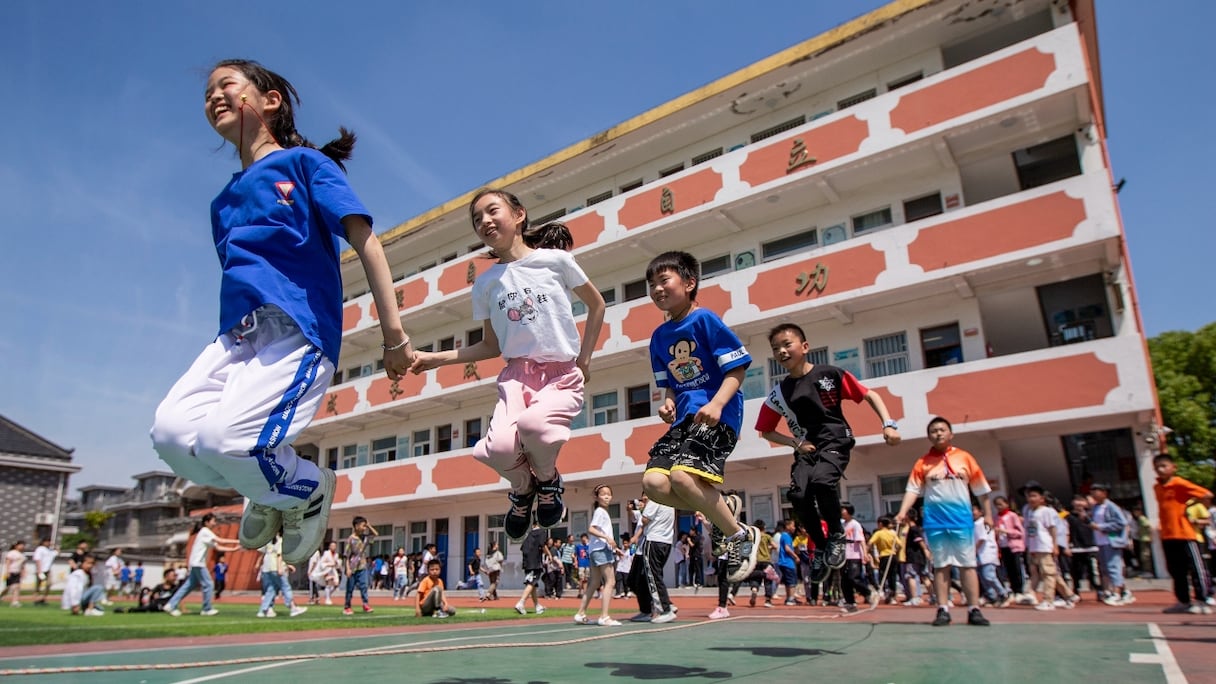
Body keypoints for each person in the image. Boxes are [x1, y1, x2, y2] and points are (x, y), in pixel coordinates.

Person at [150, 59, 414, 568]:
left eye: (227, 85)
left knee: (226, 441)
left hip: (297, 332)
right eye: (207, 93)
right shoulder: (222, 202)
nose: (214, 97)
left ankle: (307, 489)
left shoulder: (305, 165)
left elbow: (366, 243)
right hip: (237, 337)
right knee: (174, 437)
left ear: (270, 100)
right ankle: (269, 486)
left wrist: (394, 337)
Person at [411, 191, 606, 543]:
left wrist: (585, 359)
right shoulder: (486, 284)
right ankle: (523, 489)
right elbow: (491, 345)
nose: (484, 221)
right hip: (517, 376)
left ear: (518, 215)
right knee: (496, 448)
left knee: (535, 427)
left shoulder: (555, 261)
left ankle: (548, 482)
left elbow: (597, 305)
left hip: (560, 375)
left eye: (492, 211)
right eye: (476, 219)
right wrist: (433, 359)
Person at [640, 251, 759, 586]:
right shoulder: (658, 338)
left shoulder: (705, 319)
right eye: (652, 284)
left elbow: (737, 368)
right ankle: (723, 511)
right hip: (684, 421)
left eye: (664, 280)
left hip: (717, 415)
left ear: (689, 283)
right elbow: (670, 385)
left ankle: (738, 536)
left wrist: (718, 404)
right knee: (654, 484)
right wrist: (668, 405)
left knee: (681, 477)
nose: (657, 289)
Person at [757, 322, 901, 585]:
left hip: (835, 439)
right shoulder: (780, 393)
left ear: (805, 346)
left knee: (822, 482)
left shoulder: (830, 374)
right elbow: (765, 430)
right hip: (806, 447)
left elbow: (870, 396)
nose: (781, 352)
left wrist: (888, 425)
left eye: (786, 344)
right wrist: (796, 444)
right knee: (797, 494)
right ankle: (822, 547)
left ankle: (836, 535)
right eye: (775, 348)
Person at [894, 417, 994, 627]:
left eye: (942, 430)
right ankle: (943, 609)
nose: (938, 433)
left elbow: (981, 490)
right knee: (941, 566)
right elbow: (912, 490)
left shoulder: (965, 458)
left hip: (961, 521)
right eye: (933, 431)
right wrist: (902, 512)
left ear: (951, 434)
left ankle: (974, 609)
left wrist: (988, 514)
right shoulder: (923, 462)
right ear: (929, 436)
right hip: (935, 522)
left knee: (968, 566)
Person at [1152, 453, 1214, 614]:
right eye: (1157, 466)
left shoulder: (1179, 483)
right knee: (1176, 570)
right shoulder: (1157, 487)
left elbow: (1207, 494)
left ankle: (1202, 600)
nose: (1160, 469)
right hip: (1167, 534)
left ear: (1173, 467)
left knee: (1196, 568)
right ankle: (1183, 601)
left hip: (1184, 534)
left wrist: (1190, 505)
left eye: (1164, 465)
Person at [165, 513, 240, 617]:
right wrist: (238, 540)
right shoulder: (205, 531)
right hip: (198, 563)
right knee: (209, 584)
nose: (215, 523)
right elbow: (220, 540)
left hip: (195, 563)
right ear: (206, 522)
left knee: (188, 586)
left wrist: (234, 549)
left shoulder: (206, 534)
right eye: (213, 521)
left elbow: (218, 547)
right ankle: (206, 608)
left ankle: (170, 604)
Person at [1020, 483, 1079, 612]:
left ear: (1042, 498)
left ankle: (1048, 600)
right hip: (1033, 547)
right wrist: (1028, 546)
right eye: (1029, 496)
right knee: (1051, 573)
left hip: (1044, 546)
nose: (1031, 499)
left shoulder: (1047, 511)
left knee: (1048, 574)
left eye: (1034, 496)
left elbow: (1053, 528)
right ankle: (1069, 595)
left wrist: (1055, 545)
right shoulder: (1028, 511)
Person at [575, 484, 623, 626]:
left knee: (595, 582)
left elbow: (602, 533)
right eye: (603, 494)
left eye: (609, 494)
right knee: (611, 581)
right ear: (597, 497)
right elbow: (591, 529)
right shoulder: (600, 511)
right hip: (601, 550)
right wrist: (607, 539)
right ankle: (604, 616)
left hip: (597, 550)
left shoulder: (602, 512)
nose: (606, 496)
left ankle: (580, 613)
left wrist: (614, 547)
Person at [628, 494, 677, 623]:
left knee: (653, 577)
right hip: (666, 542)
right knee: (651, 577)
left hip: (654, 540)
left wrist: (644, 510)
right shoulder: (669, 501)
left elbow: (645, 520)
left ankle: (665, 609)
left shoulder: (656, 499)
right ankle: (662, 605)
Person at [1089, 483, 1131, 605]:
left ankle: (1116, 593)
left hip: (1111, 541)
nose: (1093, 494)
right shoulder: (1095, 507)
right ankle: (1124, 591)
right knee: (1105, 569)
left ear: (1104, 493)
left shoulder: (1111, 507)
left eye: (1096, 491)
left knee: (1113, 567)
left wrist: (1101, 527)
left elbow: (1121, 522)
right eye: (1092, 492)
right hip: (1100, 542)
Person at [257, 533, 307, 617]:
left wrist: (258, 564)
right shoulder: (280, 541)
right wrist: (280, 568)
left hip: (266, 568)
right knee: (285, 587)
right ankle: (292, 607)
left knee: (271, 588)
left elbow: (262, 553)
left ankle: (264, 609)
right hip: (275, 568)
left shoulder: (267, 541)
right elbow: (279, 556)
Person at [974, 504, 1011, 607]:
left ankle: (1003, 593)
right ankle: (991, 596)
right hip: (980, 555)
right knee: (982, 577)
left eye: (974, 510)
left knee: (989, 575)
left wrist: (974, 550)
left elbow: (982, 539)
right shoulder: (974, 523)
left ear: (981, 511)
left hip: (987, 553)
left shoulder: (983, 522)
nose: (972, 513)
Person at [993, 495, 1028, 603]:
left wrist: (1007, 532)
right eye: (996, 505)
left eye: (1001, 504)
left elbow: (1020, 532)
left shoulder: (1012, 516)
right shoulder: (996, 517)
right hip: (1003, 546)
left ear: (1006, 504)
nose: (999, 507)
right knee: (1008, 569)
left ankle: (1019, 590)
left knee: (1016, 568)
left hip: (1014, 546)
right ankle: (1012, 589)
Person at [1067, 496, 1100, 601]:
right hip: (1076, 546)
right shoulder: (1068, 514)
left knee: (1093, 569)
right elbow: (1058, 518)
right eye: (1077, 502)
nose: (1079, 504)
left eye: (1081, 502)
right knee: (1076, 570)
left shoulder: (1091, 513)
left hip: (1091, 545)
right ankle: (1076, 589)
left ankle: (1098, 589)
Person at [344, 516, 377, 615]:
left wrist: (369, 525)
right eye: (363, 526)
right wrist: (348, 569)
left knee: (364, 585)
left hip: (362, 566)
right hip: (352, 567)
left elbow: (375, 534)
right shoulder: (351, 539)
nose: (364, 528)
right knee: (350, 588)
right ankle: (347, 606)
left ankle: (365, 604)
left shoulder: (365, 538)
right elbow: (346, 556)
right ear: (356, 526)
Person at [518, 521, 548, 616]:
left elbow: (522, 548)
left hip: (527, 562)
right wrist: (549, 555)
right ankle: (521, 603)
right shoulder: (542, 532)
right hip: (535, 563)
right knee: (531, 582)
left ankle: (537, 606)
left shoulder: (529, 535)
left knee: (533, 584)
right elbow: (543, 545)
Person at [868, 517, 900, 605]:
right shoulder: (893, 533)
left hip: (884, 556)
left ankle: (883, 592)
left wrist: (867, 552)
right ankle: (892, 595)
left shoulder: (878, 533)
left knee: (882, 575)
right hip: (893, 556)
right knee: (892, 576)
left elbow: (870, 543)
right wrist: (895, 551)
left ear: (881, 524)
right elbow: (899, 544)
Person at [32, 538, 55, 606]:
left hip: (48, 570)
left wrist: (55, 546)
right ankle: (35, 599)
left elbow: (57, 552)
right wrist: (39, 570)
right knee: (38, 585)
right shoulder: (40, 549)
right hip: (41, 570)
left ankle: (43, 598)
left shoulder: (50, 550)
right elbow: (37, 559)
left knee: (49, 584)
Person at [4, 541, 26, 607]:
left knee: (17, 587)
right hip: (11, 572)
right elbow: (8, 562)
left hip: (17, 572)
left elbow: (22, 565)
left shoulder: (22, 554)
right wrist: (7, 572)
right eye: (21, 545)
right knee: (7, 588)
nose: (22, 546)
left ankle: (15, 601)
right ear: (16, 545)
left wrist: (23, 571)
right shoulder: (12, 553)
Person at [319, 541, 341, 605]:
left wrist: (337, 564)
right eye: (332, 546)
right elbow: (322, 563)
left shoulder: (336, 554)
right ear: (329, 547)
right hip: (327, 570)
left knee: (336, 584)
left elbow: (337, 564)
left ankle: (327, 595)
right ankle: (327, 599)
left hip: (333, 571)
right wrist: (328, 565)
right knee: (328, 584)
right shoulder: (326, 553)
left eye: (334, 546)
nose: (333, 547)